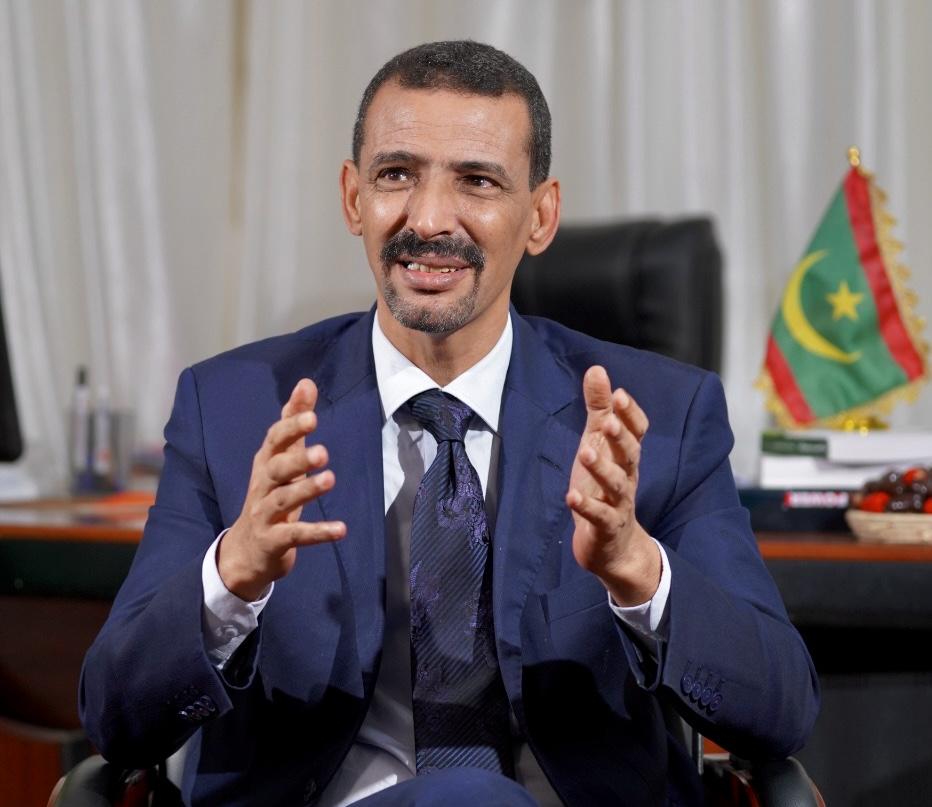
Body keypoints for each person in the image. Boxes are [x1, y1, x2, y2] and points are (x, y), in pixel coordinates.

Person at [80, 40, 819, 807]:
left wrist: (640, 570)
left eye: (477, 181)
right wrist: (231, 576)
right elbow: (114, 720)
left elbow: (781, 711)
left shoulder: (659, 418)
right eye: (397, 174)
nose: (429, 219)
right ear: (353, 197)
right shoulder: (233, 410)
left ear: (541, 215)